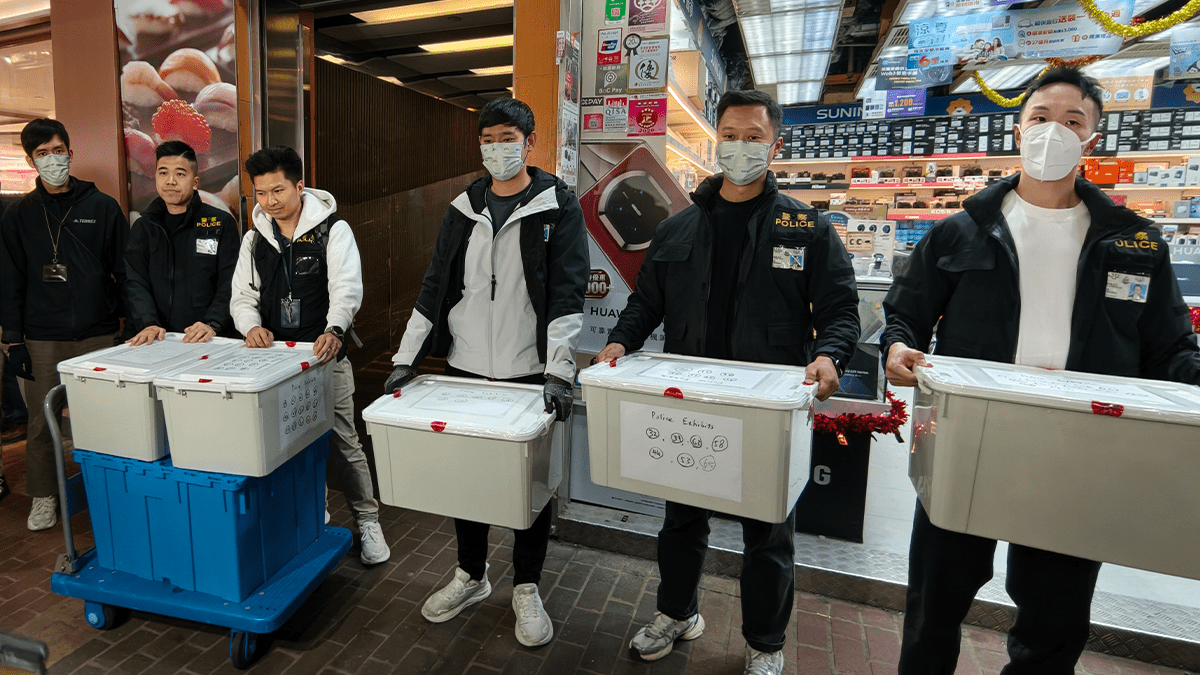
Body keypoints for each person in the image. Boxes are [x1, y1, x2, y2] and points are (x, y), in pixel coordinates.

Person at [882, 68, 1200, 674]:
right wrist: (898, 348)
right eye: (1041, 118)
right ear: (1018, 130)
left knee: (1056, 613)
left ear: (1092, 140)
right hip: (971, 436)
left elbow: (1170, 349)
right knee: (936, 596)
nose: (1054, 131)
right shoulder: (961, 231)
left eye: (1073, 121)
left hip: (1080, 445)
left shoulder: (1135, 243)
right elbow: (907, 315)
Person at [594, 89, 861, 675]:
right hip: (691, 397)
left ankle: (766, 644)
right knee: (681, 518)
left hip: (766, 407)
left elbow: (840, 309)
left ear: (775, 146)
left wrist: (829, 354)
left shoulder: (804, 227)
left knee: (768, 531)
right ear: (717, 141)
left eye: (753, 137)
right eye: (731, 136)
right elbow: (646, 302)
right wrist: (620, 342)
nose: (740, 147)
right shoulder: (677, 227)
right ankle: (677, 613)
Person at [384, 97, 588, 648]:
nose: (498, 149)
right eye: (489, 140)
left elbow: (567, 294)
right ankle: (471, 575)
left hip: (528, 370)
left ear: (530, 141)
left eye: (508, 139)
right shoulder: (463, 208)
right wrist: (405, 358)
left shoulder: (556, 207)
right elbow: (435, 285)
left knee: (529, 486)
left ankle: (526, 586)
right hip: (467, 366)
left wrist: (559, 371)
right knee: (468, 479)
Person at [229, 146, 391, 566]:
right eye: (261, 193)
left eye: (278, 190)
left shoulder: (333, 230)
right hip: (275, 365)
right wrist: (250, 326)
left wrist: (335, 329)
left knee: (344, 442)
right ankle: (312, 516)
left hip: (323, 357)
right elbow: (242, 295)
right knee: (288, 445)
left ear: (299, 186)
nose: (270, 201)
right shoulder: (254, 239)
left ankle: (368, 520)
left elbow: (346, 287)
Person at [0, 119, 128, 530]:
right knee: (41, 422)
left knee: (105, 419)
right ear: (30, 161)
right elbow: (10, 281)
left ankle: (111, 490)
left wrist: (130, 325)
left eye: (58, 150)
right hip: (41, 337)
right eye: (42, 153)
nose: (52, 159)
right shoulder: (18, 215)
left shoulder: (102, 206)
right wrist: (13, 341)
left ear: (70, 154)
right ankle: (44, 496)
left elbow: (125, 270)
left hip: (99, 334)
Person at [124, 141, 239, 345]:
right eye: (163, 173)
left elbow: (230, 280)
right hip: (155, 337)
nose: (170, 181)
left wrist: (212, 323)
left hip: (207, 337)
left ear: (195, 182)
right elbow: (135, 280)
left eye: (179, 174)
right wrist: (148, 322)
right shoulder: (143, 226)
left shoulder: (221, 223)